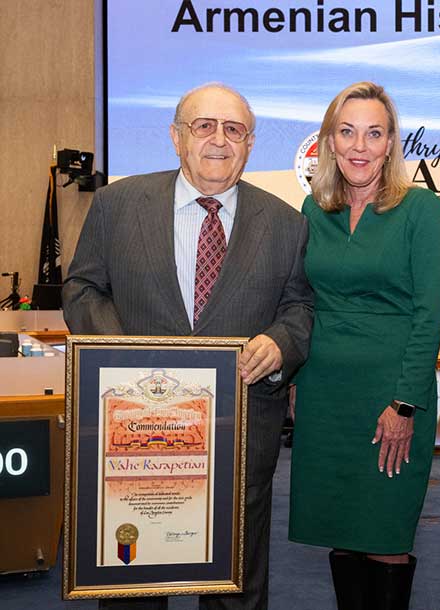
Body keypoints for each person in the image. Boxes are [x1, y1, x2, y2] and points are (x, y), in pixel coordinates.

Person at [62, 83, 314, 610]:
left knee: (235, 583)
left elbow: (300, 308)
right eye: (204, 126)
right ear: (177, 137)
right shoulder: (116, 205)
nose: (219, 140)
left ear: (249, 144)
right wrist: (125, 357)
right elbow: (82, 289)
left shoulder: (287, 223)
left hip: (240, 428)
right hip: (135, 430)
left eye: (234, 130)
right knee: (133, 578)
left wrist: (279, 342)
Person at [287, 82, 440, 610]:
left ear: (390, 144)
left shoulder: (422, 209)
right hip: (325, 395)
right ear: (329, 142)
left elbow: (429, 314)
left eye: (374, 134)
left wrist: (404, 403)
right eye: (347, 132)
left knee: (385, 536)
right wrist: (296, 380)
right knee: (341, 531)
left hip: (391, 396)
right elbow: (302, 301)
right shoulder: (314, 209)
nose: (360, 146)